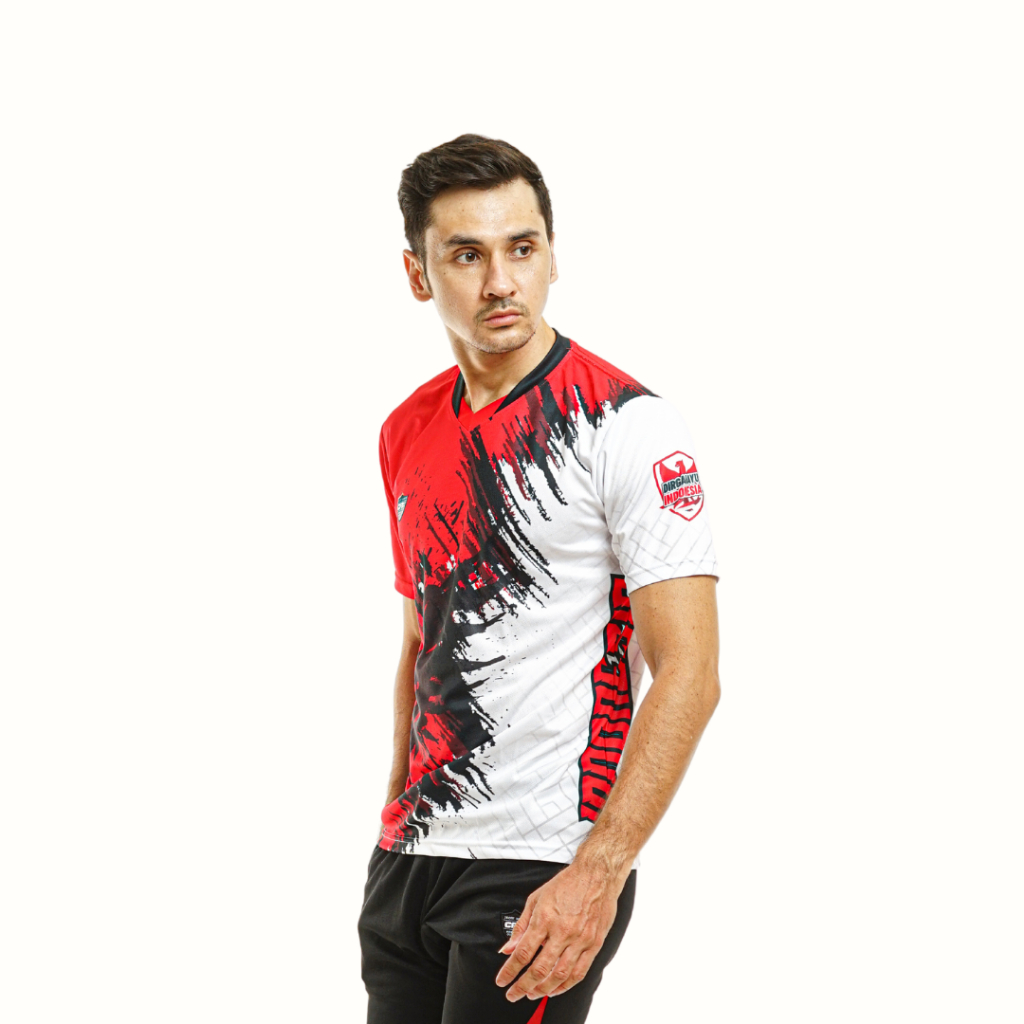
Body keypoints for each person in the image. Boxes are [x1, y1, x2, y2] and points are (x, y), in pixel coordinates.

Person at [358, 134, 721, 1024]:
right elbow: (419, 640)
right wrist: (391, 824)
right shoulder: (405, 430)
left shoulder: (625, 424)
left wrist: (599, 871)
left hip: (539, 861)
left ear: (552, 255)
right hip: (413, 858)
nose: (500, 283)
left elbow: (691, 672)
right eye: (466, 255)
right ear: (417, 274)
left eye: (521, 248)